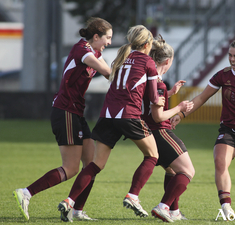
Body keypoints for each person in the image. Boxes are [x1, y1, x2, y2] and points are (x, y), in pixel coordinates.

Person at [56, 25, 166, 222]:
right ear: (148, 44)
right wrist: (161, 99)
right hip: (128, 115)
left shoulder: (121, 57)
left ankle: (69, 200)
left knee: (96, 164)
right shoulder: (148, 62)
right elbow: (151, 97)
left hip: (107, 115)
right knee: (152, 155)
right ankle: (133, 195)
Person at [13, 17, 113, 222]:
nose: (109, 42)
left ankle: (77, 210)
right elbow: (107, 72)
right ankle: (26, 192)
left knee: (92, 164)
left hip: (76, 112)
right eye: (108, 38)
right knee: (71, 168)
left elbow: (108, 73)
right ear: (96, 36)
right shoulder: (82, 50)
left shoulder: (94, 51)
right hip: (65, 111)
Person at [171, 33, 235, 221]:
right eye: (230, 55)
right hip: (228, 129)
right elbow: (202, 97)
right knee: (220, 162)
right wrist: (181, 114)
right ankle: (226, 206)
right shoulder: (223, 75)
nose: (232, 59)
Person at [141, 35, 195, 223]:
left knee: (172, 171)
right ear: (168, 60)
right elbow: (158, 116)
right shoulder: (159, 83)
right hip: (159, 131)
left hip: (148, 131)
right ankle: (163, 207)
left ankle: (174, 211)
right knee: (188, 171)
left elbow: (152, 103)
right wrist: (179, 108)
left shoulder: (150, 80)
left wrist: (170, 94)